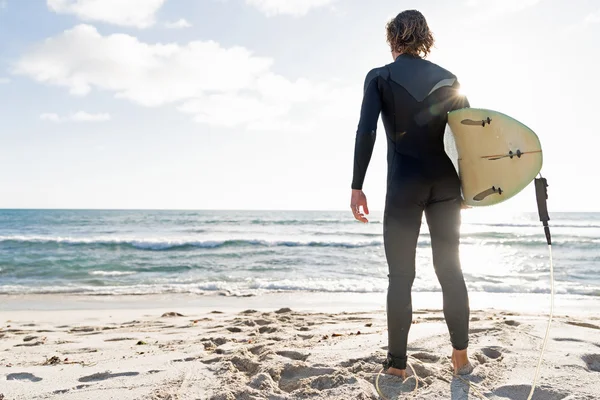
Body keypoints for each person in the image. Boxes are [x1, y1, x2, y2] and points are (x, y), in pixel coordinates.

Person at [350, 10, 473, 379]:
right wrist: (469, 189)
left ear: (394, 39)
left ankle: (397, 368)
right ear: (424, 37)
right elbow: (468, 139)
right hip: (447, 184)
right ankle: (461, 359)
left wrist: (357, 185)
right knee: (451, 271)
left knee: (401, 277)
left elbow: (366, 131)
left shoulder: (380, 77)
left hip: (405, 185)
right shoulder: (450, 79)